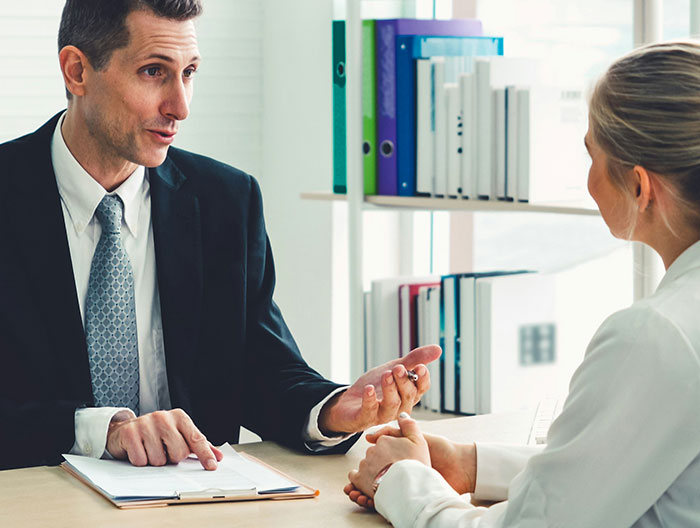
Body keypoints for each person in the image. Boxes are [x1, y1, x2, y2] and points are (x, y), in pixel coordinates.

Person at [0, 0, 441, 471]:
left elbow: (263, 370)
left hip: (200, 502)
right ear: (77, 71)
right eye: (153, 72)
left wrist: (334, 409)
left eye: (188, 72)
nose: (180, 106)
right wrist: (103, 432)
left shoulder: (226, 200)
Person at [345, 40, 700, 527]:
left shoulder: (656, 335)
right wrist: (471, 465)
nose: (589, 179)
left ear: (640, 186)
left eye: (590, 153)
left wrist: (401, 478)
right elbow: (637, 468)